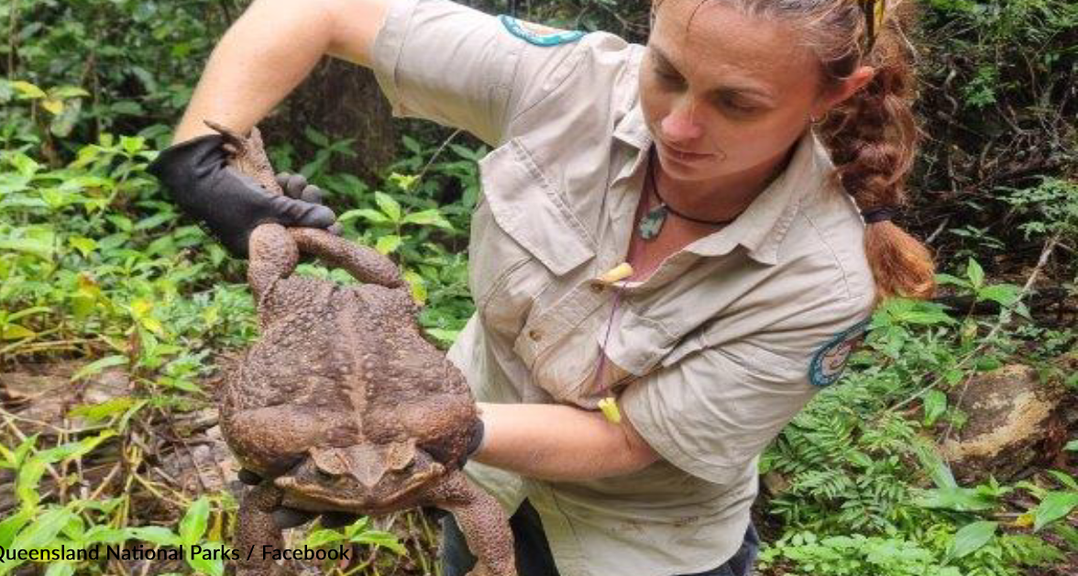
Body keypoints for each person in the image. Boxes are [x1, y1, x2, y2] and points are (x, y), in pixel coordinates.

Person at [148, 0, 936, 574]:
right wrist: (200, 160)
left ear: (834, 94)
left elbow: (631, 439)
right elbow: (317, 10)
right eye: (666, 72)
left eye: (736, 103)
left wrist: (403, 431)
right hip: (482, 485)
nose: (679, 124)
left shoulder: (822, 275)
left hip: (638, 548)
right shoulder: (573, 82)